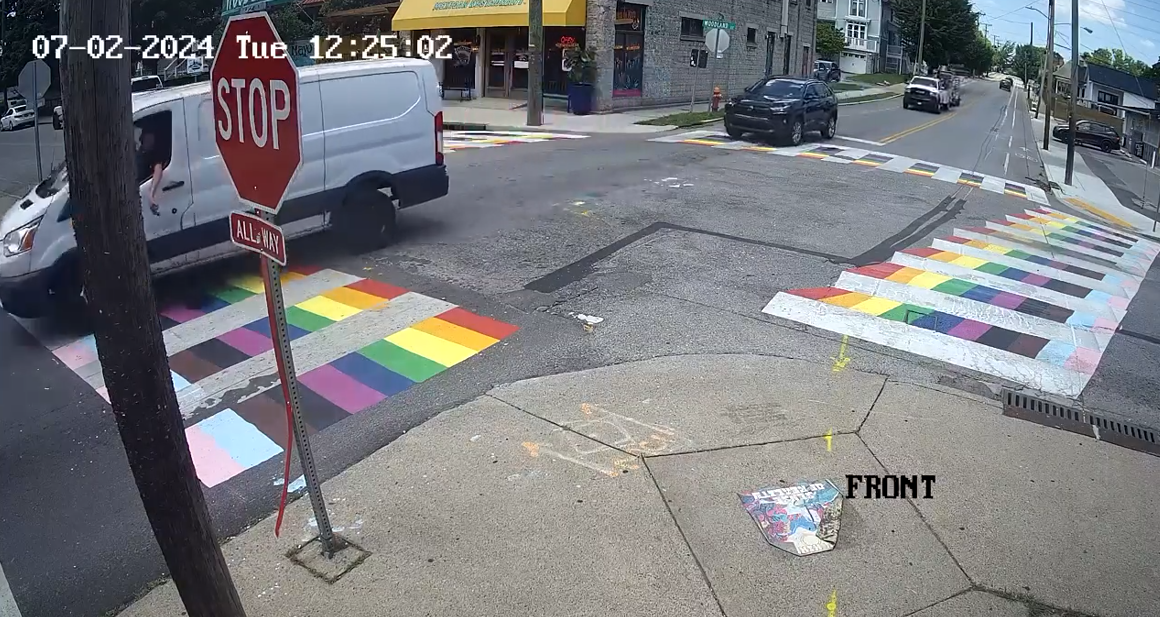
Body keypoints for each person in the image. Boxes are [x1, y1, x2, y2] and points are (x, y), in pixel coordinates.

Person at [137, 127, 167, 216]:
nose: (141, 138)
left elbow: (158, 168)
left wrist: (151, 192)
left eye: (145, 134)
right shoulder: (141, 153)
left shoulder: (155, 155)